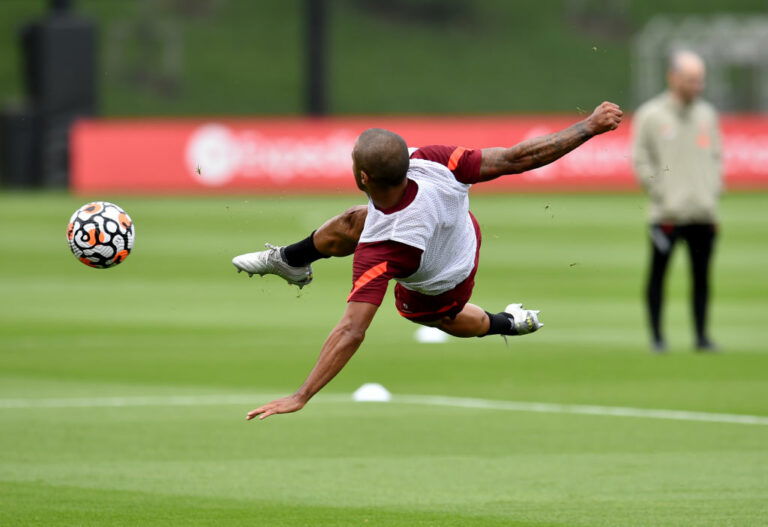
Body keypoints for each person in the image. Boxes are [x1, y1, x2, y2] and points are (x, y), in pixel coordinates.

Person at [236, 101, 623, 420]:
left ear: (364, 176)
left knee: (439, 318)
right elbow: (517, 158)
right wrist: (588, 126)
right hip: (461, 229)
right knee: (354, 219)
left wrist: (301, 394)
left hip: (446, 278)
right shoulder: (433, 161)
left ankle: (508, 322)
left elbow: (351, 331)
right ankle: (291, 260)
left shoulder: (380, 248)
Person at [632, 50, 722, 353]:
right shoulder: (652, 114)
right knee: (658, 277)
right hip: (667, 214)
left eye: (700, 80)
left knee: (702, 279)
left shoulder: (707, 114)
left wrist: (711, 193)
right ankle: (657, 338)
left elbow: (716, 158)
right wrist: (663, 192)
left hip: (703, 212)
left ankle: (702, 337)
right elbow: (641, 160)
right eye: (691, 79)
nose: (698, 86)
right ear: (673, 78)